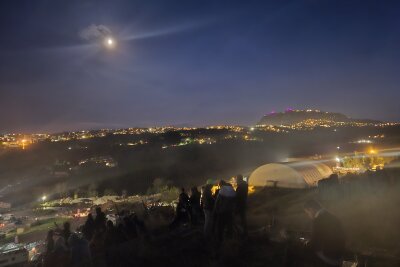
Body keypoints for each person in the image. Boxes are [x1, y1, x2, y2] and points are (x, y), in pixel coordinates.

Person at [286, 200, 346, 267]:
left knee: (293, 252)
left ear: (311, 209)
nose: (308, 215)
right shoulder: (332, 217)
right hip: (339, 257)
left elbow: (314, 244)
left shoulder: (318, 220)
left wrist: (304, 243)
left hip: (329, 257)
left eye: (307, 213)